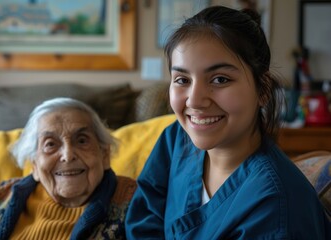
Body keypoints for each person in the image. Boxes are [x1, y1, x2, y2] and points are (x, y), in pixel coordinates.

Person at [125, 6, 331, 239]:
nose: (195, 100)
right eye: (182, 79)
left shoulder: (274, 206)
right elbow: (143, 219)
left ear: (263, 91)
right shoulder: (176, 140)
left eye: (220, 79)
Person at [0, 97, 137, 239]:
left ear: (104, 155)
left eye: (82, 140)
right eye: (50, 144)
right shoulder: (3, 193)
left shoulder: (133, 198)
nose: (68, 155)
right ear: (34, 163)